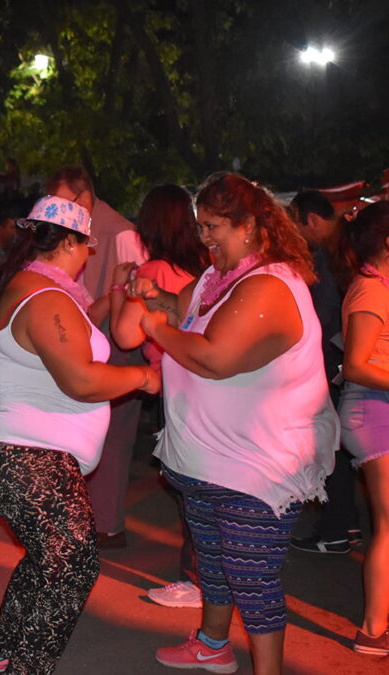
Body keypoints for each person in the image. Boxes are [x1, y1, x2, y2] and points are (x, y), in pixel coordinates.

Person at [130, 173, 337, 674]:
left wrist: (156, 328)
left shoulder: (270, 285)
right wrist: (158, 298)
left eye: (213, 226)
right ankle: (212, 644)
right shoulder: (218, 276)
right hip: (210, 459)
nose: (204, 237)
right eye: (201, 226)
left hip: (256, 463)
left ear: (249, 226)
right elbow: (184, 309)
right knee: (215, 561)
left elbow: (214, 357)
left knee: (251, 577)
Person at [0, 196, 161, 674]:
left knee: (48, 558)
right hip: (31, 456)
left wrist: (115, 291)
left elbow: (78, 333)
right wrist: (143, 377)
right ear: (73, 243)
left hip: (30, 455)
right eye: (86, 247)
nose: (87, 256)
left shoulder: (38, 288)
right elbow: (81, 379)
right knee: (73, 565)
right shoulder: (46, 298)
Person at [109, 184, 209, 609]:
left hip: (174, 382)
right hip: (205, 380)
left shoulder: (153, 271)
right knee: (202, 483)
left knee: (190, 485)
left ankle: (198, 580)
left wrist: (119, 290)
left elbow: (126, 335)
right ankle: (206, 577)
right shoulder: (204, 268)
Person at [46, 166, 146, 549]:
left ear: (85, 197)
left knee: (113, 438)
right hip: (86, 342)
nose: (58, 212)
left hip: (116, 345)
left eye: (64, 202)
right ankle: (91, 521)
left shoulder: (121, 233)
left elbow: (134, 298)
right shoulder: (76, 230)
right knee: (86, 437)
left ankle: (107, 525)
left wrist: (104, 306)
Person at [288, 190, 360, 555]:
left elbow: (323, 318)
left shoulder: (328, 258)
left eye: (297, 226)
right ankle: (346, 523)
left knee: (332, 448)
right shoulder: (354, 243)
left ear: (311, 220)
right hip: (350, 363)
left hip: (335, 365)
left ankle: (334, 530)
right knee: (344, 449)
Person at [337, 201, 389, 655]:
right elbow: (355, 364)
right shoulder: (371, 290)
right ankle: (373, 630)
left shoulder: (377, 285)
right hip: (374, 412)